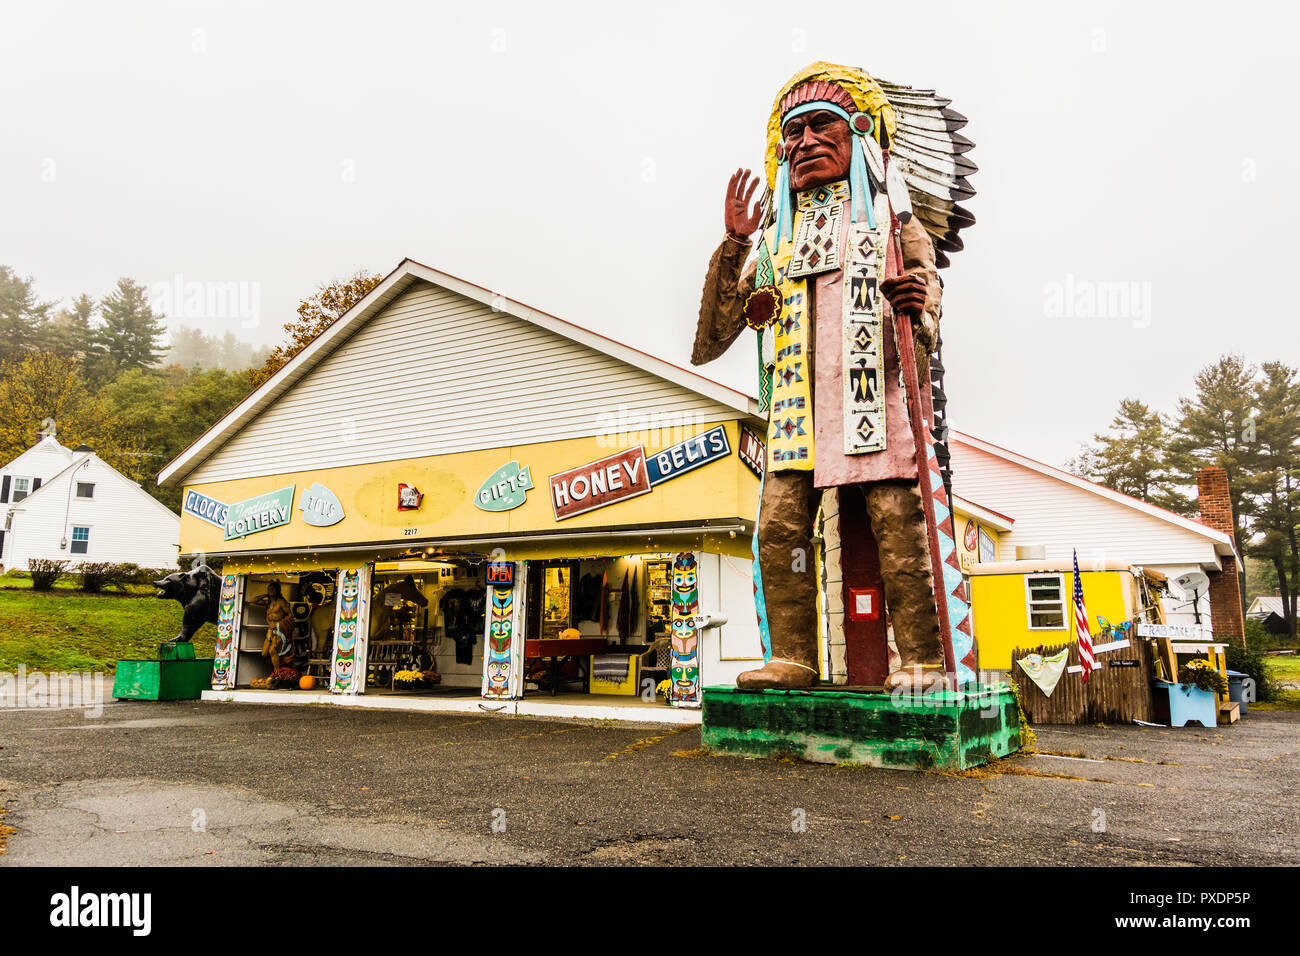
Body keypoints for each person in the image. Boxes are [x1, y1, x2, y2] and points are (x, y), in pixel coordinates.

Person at [693, 63, 951, 692]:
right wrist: (733, 243)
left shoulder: (893, 220)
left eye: (820, 127)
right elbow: (716, 334)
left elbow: (929, 301)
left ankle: (921, 660)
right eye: (794, 133)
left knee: (898, 522)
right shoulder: (777, 238)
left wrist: (920, 300)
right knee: (780, 527)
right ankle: (793, 659)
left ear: (859, 135)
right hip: (794, 409)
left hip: (873, 399)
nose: (804, 142)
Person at [251, 580, 295, 670]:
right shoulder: (268, 603)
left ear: (277, 591)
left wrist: (279, 624)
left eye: (273, 589)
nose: (270, 591)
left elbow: (291, 615)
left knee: (272, 650)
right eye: (269, 589)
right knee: (264, 652)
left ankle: (277, 673)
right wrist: (266, 594)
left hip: (279, 630)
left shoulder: (281, 602)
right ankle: (278, 668)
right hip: (270, 630)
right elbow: (252, 600)